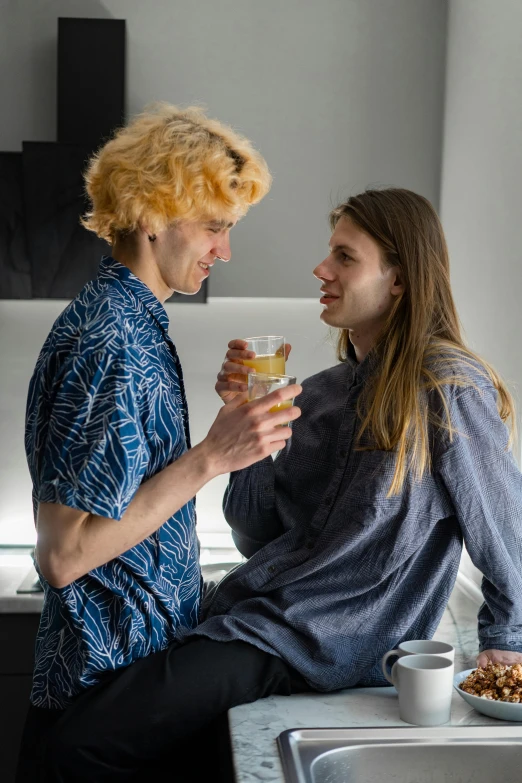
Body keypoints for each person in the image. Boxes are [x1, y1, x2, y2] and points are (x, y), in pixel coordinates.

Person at [42, 188, 522, 782]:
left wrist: (508, 641)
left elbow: (504, 526)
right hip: (256, 622)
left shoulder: (448, 388)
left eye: (345, 258)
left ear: (399, 280)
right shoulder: (318, 394)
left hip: (317, 643)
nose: (322, 270)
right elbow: (258, 534)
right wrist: (248, 427)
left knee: (81, 744)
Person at [16, 104, 301, 781]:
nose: (224, 250)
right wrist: (211, 456)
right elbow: (64, 555)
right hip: (102, 700)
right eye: (213, 226)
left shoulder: (135, 327)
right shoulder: (112, 340)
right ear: (150, 215)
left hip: (126, 682)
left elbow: (128, 496)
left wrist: (229, 424)